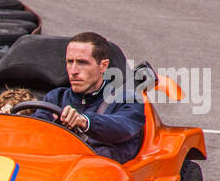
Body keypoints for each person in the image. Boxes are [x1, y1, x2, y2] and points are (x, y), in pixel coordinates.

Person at [36, 31, 145, 163]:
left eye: (82, 62)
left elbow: (123, 128)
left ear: (103, 66)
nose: (73, 71)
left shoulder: (126, 99)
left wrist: (85, 122)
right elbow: (34, 134)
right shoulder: (56, 97)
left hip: (104, 174)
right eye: (70, 62)